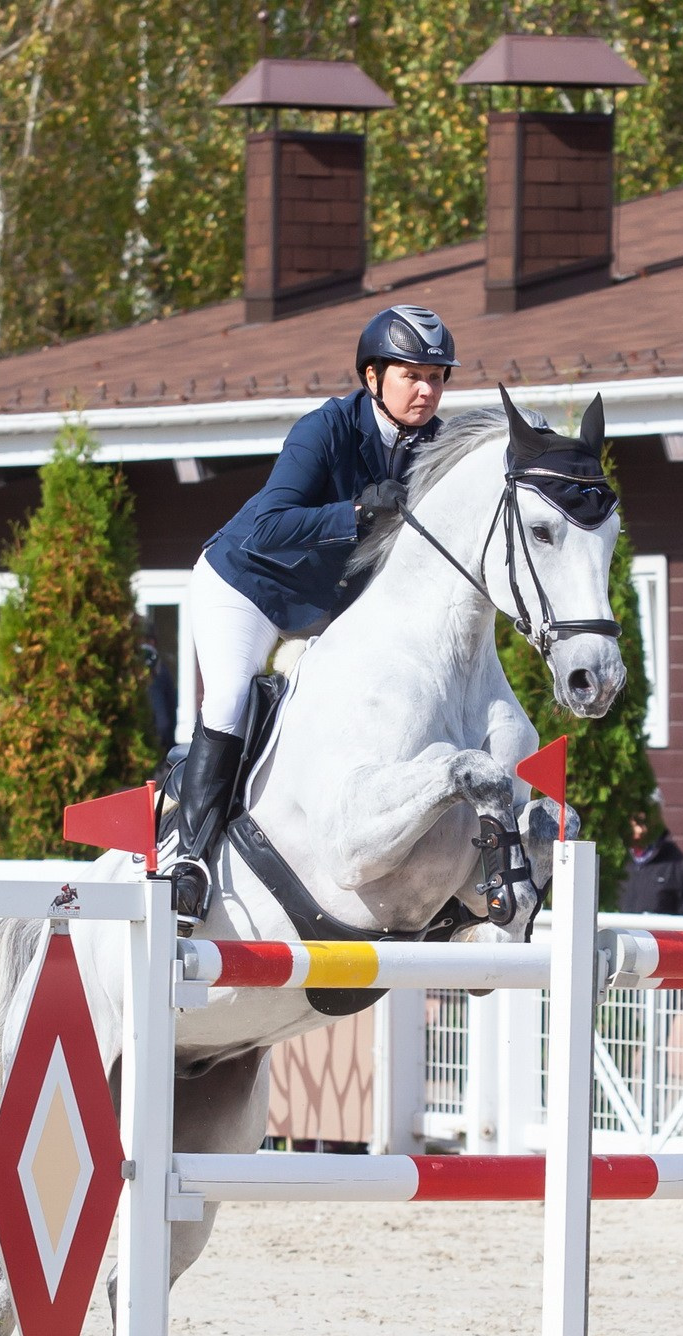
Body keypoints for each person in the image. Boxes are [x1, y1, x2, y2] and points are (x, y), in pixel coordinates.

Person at [162, 303, 459, 924]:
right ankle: (187, 861)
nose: (427, 390)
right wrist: (352, 513)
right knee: (229, 699)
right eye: (413, 375)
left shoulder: (435, 444)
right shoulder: (322, 431)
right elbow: (270, 524)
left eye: (437, 376)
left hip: (325, 607)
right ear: (373, 377)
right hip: (245, 584)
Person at [616, 804, 683, 915]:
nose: (639, 830)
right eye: (634, 820)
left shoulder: (676, 863)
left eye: (644, 821)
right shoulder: (613, 857)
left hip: (657, 931)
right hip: (614, 930)